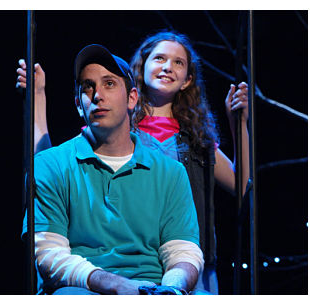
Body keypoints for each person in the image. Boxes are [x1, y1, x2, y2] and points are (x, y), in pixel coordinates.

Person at [17, 31, 249, 294]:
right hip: (87, 283)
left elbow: (241, 187)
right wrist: (36, 98)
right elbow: (47, 167)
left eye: (178, 62)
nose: (168, 67)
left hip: (178, 267)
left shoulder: (188, 151)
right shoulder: (89, 141)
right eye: (159, 58)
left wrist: (239, 124)